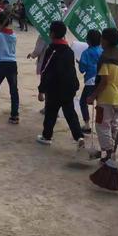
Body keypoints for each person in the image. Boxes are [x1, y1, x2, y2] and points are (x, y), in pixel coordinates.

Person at [87, 28, 118, 165]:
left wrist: (92, 96)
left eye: (102, 39)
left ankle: (108, 153)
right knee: (114, 125)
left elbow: (104, 81)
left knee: (102, 125)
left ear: (105, 41)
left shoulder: (106, 58)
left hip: (106, 97)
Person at [36, 21, 85, 149]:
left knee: (50, 113)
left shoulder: (51, 50)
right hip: (68, 88)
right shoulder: (69, 51)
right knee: (70, 113)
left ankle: (47, 137)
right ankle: (79, 136)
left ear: (52, 33)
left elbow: (45, 71)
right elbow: (71, 70)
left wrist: (41, 90)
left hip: (54, 89)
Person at [78, 29, 103, 134]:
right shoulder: (103, 51)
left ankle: (87, 125)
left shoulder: (86, 53)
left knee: (83, 102)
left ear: (88, 40)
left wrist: (80, 63)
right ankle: (103, 125)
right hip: (102, 81)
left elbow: (82, 69)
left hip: (90, 81)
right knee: (101, 104)